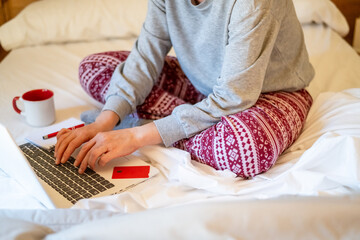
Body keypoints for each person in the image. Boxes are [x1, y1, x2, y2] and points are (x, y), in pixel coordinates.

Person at [54, 0, 314, 178]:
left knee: (246, 147)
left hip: (270, 94)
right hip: (205, 87)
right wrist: (104, 121)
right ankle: (185, 125)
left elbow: (234, 95)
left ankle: (154, 127)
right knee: (94, 68)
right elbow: (146, 56)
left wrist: (135, 137)